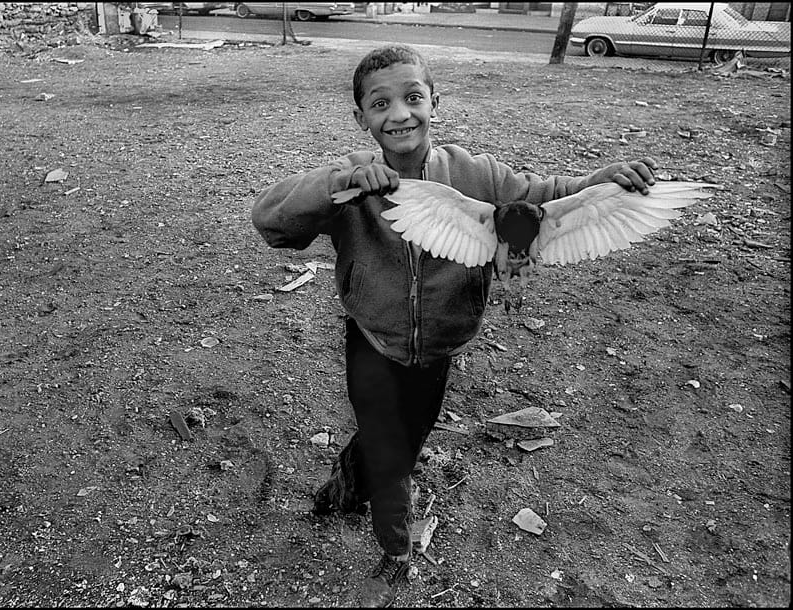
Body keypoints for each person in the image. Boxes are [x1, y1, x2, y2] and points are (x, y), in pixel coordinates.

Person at [251, 44, 656, 607]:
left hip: (439, 347)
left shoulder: (474, 174)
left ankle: (344, 485)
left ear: (435, 102)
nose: (399, 114)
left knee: (398, 440)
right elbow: (271, 223)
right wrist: (334, 184)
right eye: (380, 103)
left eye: (413, 97)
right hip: (372, 341)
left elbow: (540, 196)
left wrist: (600, 179)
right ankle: (396, 555)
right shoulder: (351, 184)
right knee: (393, 454)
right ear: (360, 117)